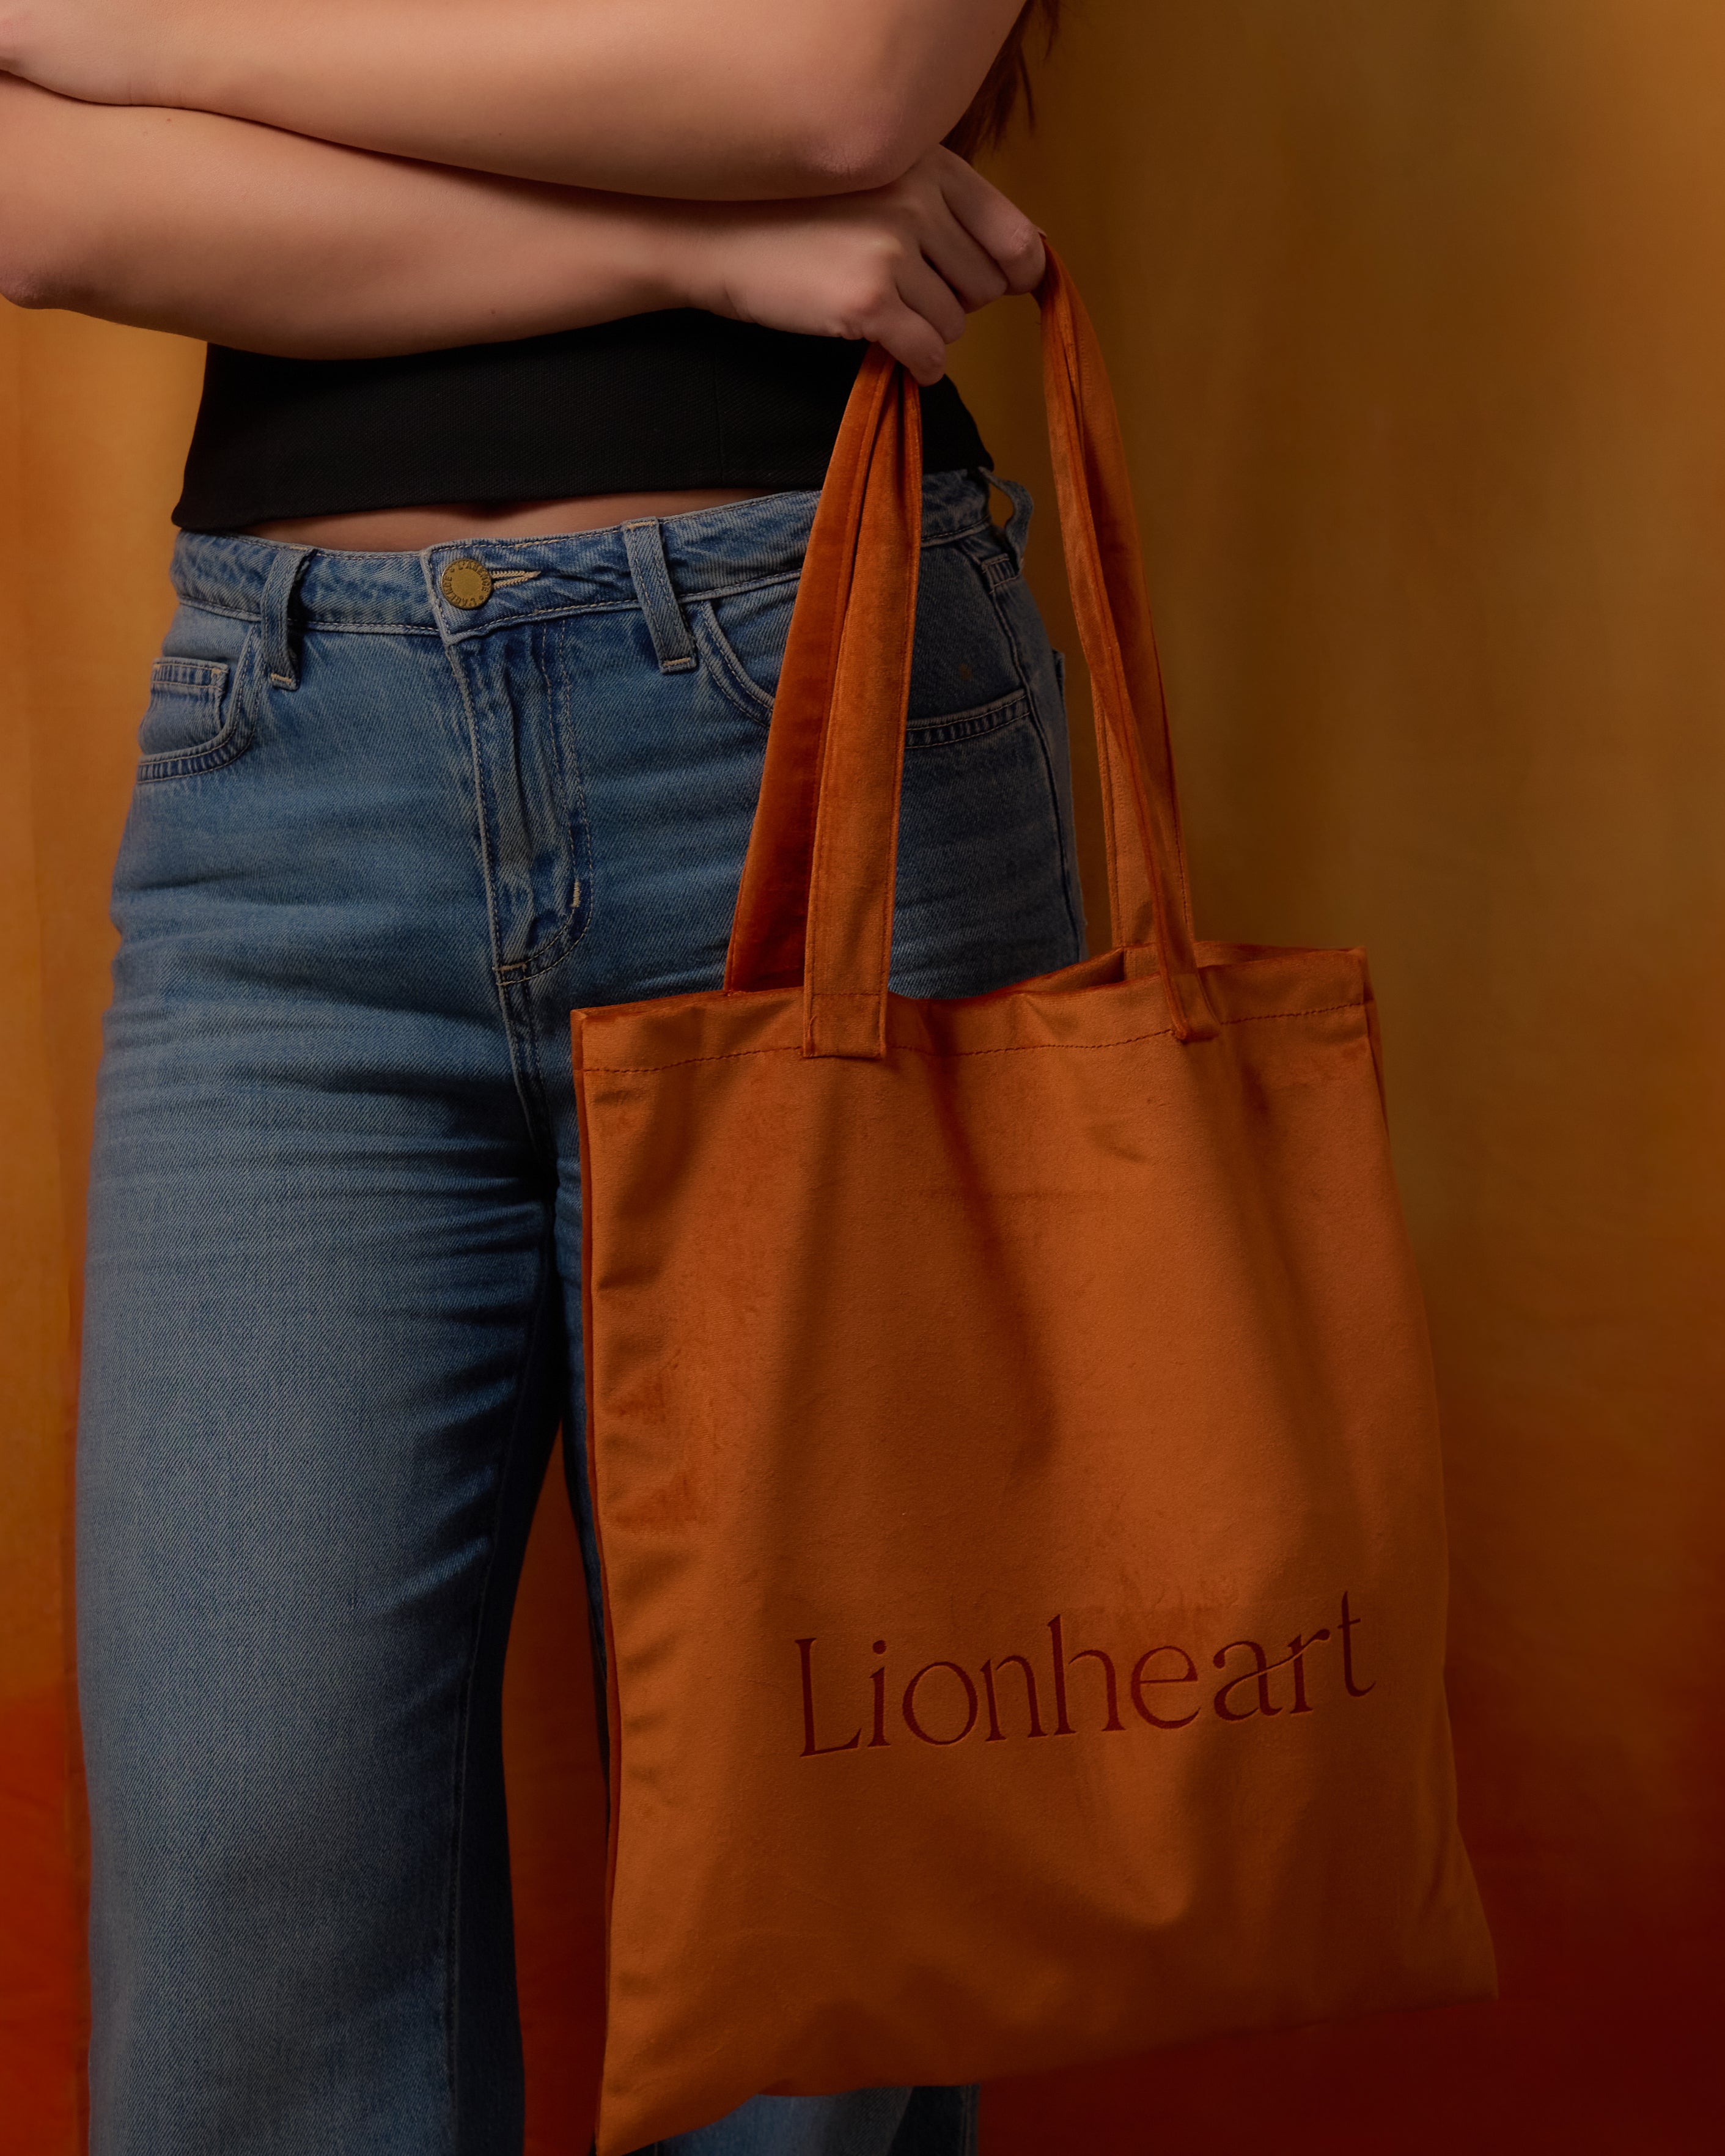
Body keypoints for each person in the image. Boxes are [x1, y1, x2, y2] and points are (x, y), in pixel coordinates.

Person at [0, 6, 1076, 2152]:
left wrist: (124, 28)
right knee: (244, 1948)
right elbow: (36, 193)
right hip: (285, 772)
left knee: (812, 1957)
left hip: (808, 717)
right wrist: (703, 257)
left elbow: (832, 85)